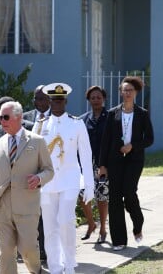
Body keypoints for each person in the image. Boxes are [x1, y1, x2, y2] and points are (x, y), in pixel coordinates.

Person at [0, 101, 54, 274]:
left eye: (6, 117)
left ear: (18, 117)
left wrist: (39, 178)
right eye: (0, 117)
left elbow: (49, 170)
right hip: (1, 206)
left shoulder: (37, 141)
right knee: (7, 252)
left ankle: (37, 271)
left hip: (27, 205)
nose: (2, 121)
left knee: (28, 250)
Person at [32, 83, 94, 274]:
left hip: (70, 180)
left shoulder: (76, 123)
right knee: (50, 226)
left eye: (60, 100)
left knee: (66, 220)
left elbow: (85, 154)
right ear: (49, 101)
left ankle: (69, 264)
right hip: (47, 183)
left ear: (65, 101)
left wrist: (89, 184)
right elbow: (33, 154)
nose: (57, 104)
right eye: (53, 100)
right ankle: (55, 266)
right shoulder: (41, 125)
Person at [99, 76, 154, 251]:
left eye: (130, 90)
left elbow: (150, 139)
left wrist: (133, 146)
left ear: (136, 92)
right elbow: (105, 140)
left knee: (129, 193)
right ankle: (119, 240)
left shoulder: (142, 114)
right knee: (114, 198)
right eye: (125, 90)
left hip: (134, 160)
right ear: (120, 92)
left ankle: (138, 223)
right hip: (114, 161)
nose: (127, 93)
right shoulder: (112, 113)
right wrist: (102, 165)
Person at [78, 86, 109, 244]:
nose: (96, 100)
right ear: (88, 100)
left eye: (98, 97)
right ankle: (91, 223)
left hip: (103, 163)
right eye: (92, 97)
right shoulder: (82, 119)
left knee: (101, 197)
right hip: (85, 164)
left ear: (104, 98)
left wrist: (107, 165)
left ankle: (103, 228)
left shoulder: (111, 117)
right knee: (83, 195)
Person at [26, 84, 51, 260]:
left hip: (48, 174)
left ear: (50, 99)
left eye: (42, 98)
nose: (39, 102)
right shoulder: (25, 118)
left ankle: (45, 250)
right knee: (31, 214)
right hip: (28, 174)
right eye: (36, 98)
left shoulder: (57, 118)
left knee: (46, 213)